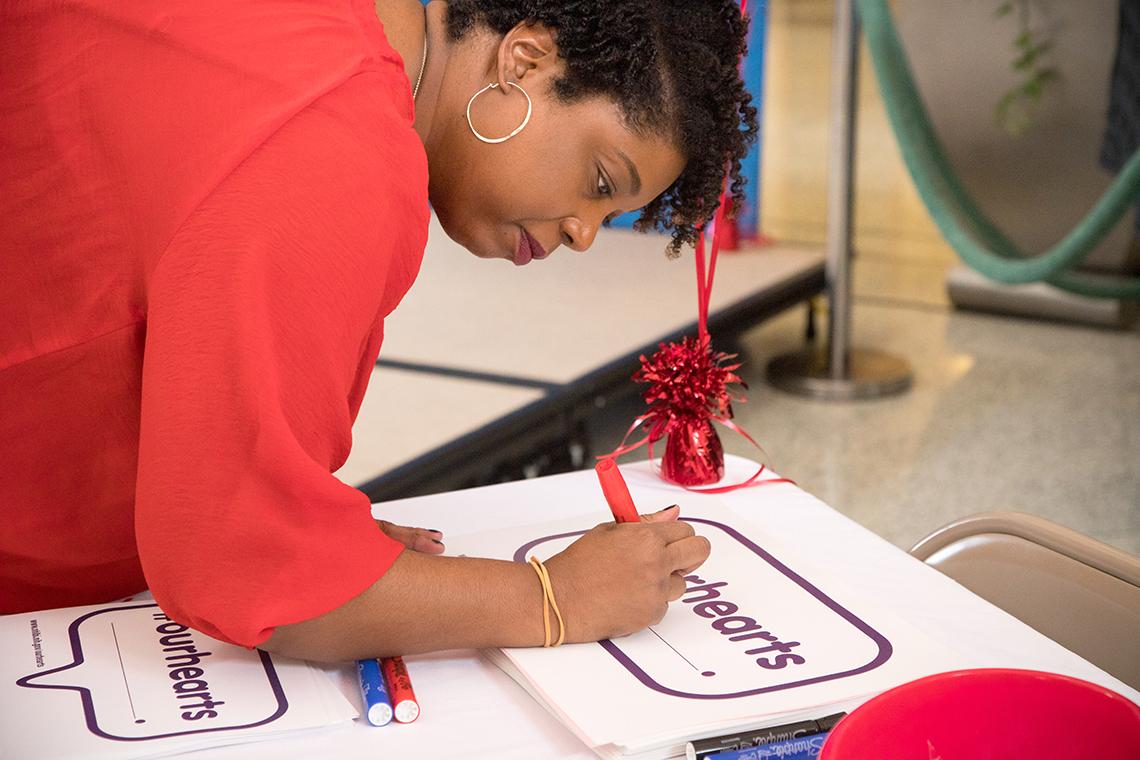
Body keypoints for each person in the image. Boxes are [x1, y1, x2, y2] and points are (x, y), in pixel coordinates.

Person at [0, 0, 757, 662]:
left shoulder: (329, 37)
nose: (584, 233)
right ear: (524, 61)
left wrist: (319, 538)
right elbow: (239, 565)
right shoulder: (339, 151)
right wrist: (553, 599)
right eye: (600, 182)